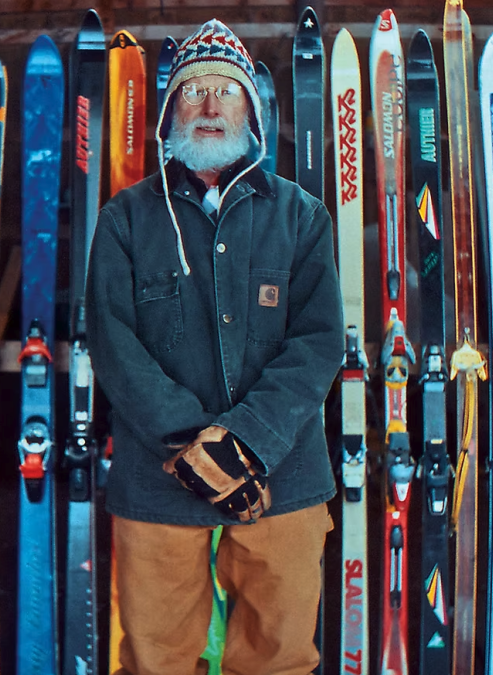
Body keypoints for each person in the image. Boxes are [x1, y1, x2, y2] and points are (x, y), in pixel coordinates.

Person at [86, 18, 344, 675]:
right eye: (193, 90)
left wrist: (244, 441)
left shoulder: (302, 217)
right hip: (157, 479)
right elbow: (113, 343)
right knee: (156, 659)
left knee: (278, 658)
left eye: (225, 91)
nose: (208, 105)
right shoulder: (124, 220)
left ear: (250, 111)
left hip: (282, 476)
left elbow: (318, 342)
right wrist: (190, 443)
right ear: (170, 111)